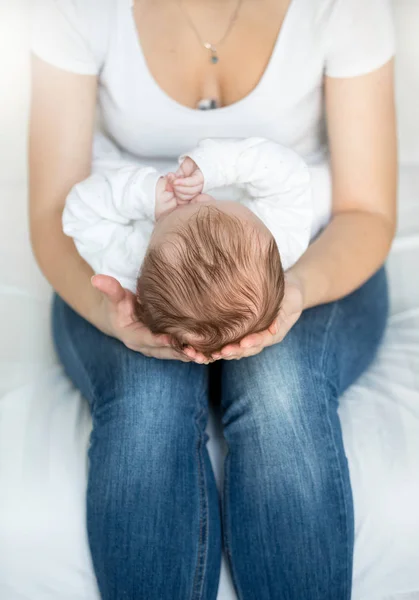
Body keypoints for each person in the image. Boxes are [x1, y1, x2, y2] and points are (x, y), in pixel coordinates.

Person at [29, 0, 397, 598]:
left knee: (283, 390)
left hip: (314, 259)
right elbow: (61, 214)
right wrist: (113, 313)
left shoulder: (342, 13)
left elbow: (363, 209)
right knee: (148, 401)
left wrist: (294, 290)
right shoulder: (77, 11)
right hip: (145, 267)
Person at [62, 136, 312, 357]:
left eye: (180, 212)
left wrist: (147, 195)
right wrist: (213, 169)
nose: (197, 196)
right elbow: (289, 174)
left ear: (138, 286)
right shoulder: (280, 241)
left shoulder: (129, 263)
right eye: (212, 205)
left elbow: (81, 210)